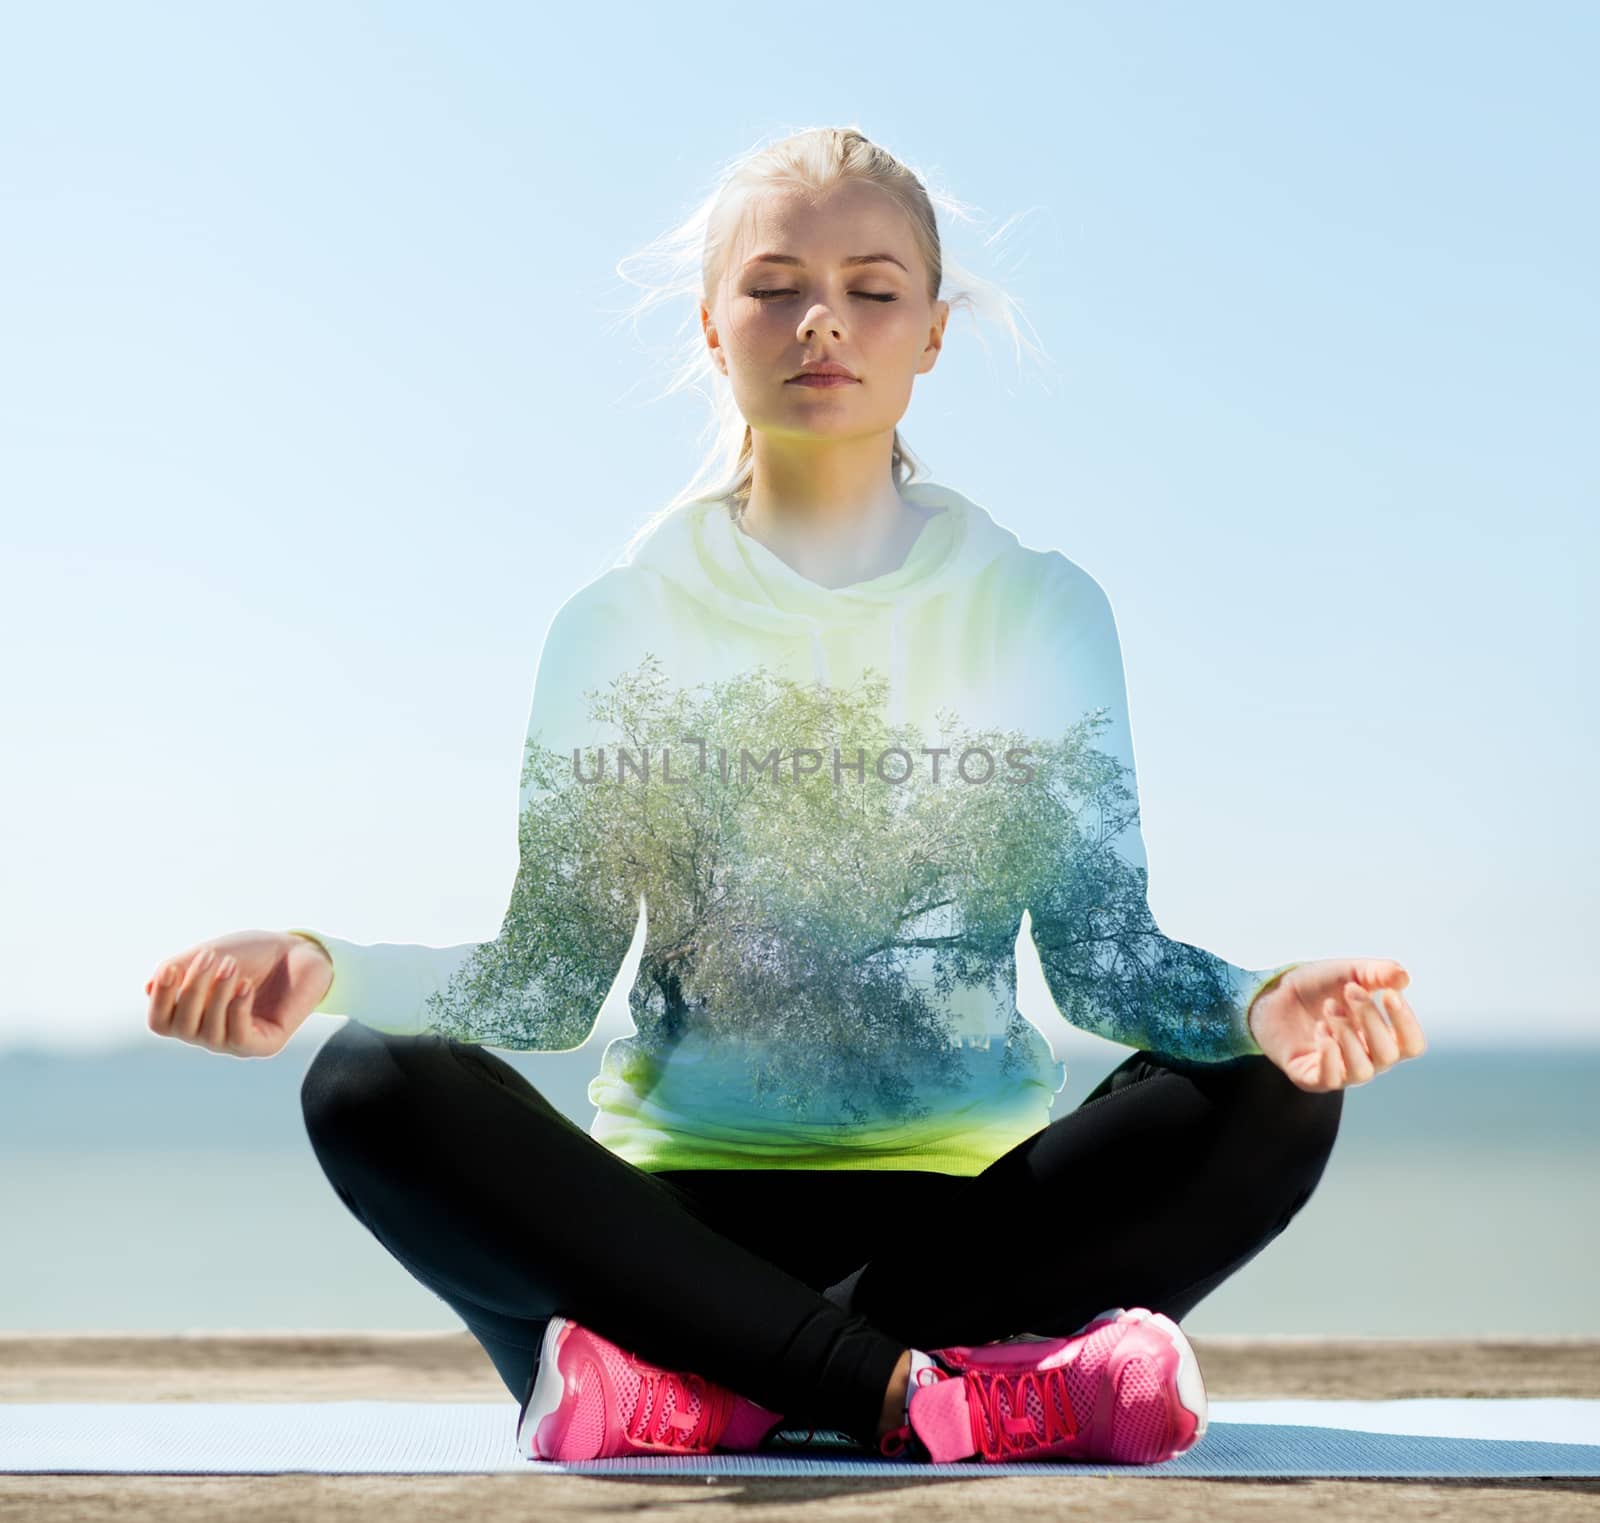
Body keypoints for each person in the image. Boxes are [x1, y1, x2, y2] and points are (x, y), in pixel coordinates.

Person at [143, 127, 1426, 1467]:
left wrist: (1265, 1002)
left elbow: (1107, 962)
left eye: (873, 289)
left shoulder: (1039, 615)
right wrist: (322, 966)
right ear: (713, 327)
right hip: (660, 1247)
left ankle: (728, 1395)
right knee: (367, 1081)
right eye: (775, 286)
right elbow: (545, 983)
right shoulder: (624, 627)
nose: (824, 319)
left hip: (972, 1230)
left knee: (1274, 1088)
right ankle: (938, 1395)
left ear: (932, 333)